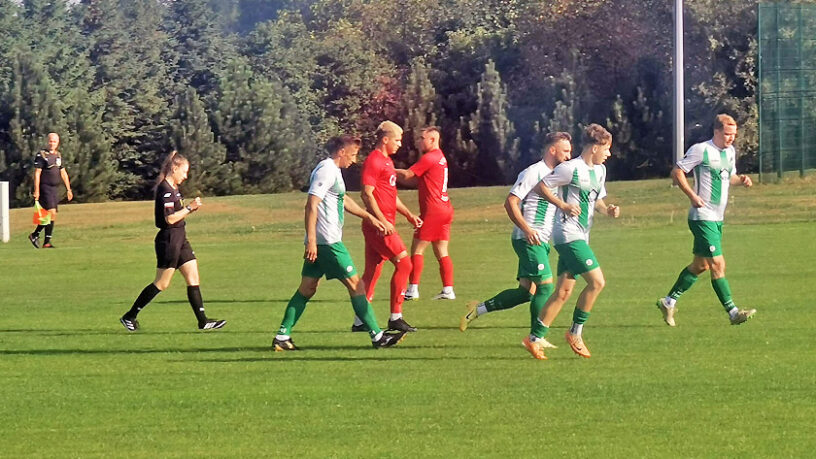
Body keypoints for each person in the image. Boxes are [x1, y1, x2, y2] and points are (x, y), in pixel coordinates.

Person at [273, 135, 407, 350]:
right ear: (341, 152)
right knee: (357, 285)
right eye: (352, 155)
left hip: (322, 242)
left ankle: (282, 336)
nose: (354, 160)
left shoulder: (334, 171)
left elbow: (343, 199)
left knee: (307, 288)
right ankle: (378, 336)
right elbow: (311, 204)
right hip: (328, 242)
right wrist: (312, 241)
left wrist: (369, 217)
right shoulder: (326, 170)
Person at [460, 132, 573, 348]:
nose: (569, 156)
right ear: (552, 150)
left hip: (540, 240)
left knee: (526, 292)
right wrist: (527, 229)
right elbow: (510, 202)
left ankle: (477, 309)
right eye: (565, 151)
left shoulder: (555, 175)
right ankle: (536, 338)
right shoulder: (534, 172)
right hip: (528, 238)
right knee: (545, 287)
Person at [522, 124, 620, 360]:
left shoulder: (600, 171)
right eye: (606, 149)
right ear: (594, 147)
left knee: (563, 291)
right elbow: (541, 187)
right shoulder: (570, 168)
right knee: (597, 282)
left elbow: (596, 200)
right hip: (567, 235)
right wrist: (563, 205)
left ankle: (533, 338)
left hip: (581, 235)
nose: (609, 154)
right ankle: (575, 332)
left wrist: (608, 210)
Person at [656, 114, 756, 326]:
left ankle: (668, 301)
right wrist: (692, 196)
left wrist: (741, 180)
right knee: (718, 264)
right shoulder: (701, 150)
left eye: (733, 134)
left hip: (717, 218)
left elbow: (728, 177)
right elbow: (677, 172)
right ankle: (733, 312)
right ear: (716, 131)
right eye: (727, 134)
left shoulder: (730, 152)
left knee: (700, 265)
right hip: (702, 217)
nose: (731, 138)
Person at [119, 151, 226, 331]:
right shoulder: (165, 190)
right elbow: (169, 219)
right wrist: (190, 208)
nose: (185, 176)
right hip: (169, 240)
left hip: (180, 237)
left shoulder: (174, 188)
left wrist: (189, 210)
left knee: (193, 276)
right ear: (174, 168)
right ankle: (129, 316)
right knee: (162, 283)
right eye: (184, 172)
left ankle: (203, 321)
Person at [353, 121, 423, 333]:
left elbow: (391, 196)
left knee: (372, 272)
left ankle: (360, 321)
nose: (400, 144)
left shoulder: (387, 162)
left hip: (383, 224)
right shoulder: (374, 161)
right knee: (405, 264)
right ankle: (396, 317)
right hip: (379, 226)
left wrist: (409, 215)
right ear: (385, 139)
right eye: (397, 140)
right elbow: (367, 194)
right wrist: (382, 220)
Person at [396, 126, 456, 301]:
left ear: (432, 140)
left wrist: (388, 170)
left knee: (417, 249)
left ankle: (412, 289)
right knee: (441, 250)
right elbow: (415, 180)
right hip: (445, 208)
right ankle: (448, 290)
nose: (419, 142)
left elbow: (408, 174)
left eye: (422, 138)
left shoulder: (430, 157)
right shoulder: (440, 157)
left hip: (433, 210)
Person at [29, 133, 72, 248]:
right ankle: (37, 236)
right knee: (51, 212)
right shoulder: (42, 155)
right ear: (47, 141)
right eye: (50, 141)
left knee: (51, 215)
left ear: (58, 143)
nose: (52, 143)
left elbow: (63, 172)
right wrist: (37, 190)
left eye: (54, 141)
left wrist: (68, 189)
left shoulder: (58, 155)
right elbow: (37, 173)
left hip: (54, 189)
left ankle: (42, 239)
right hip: (45, 187)